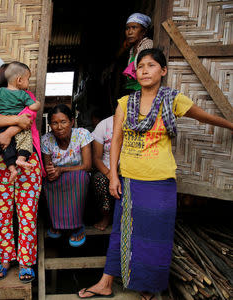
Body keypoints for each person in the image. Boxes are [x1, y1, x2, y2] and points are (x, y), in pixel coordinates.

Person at [78, 48, 233, 300]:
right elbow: (115, 140)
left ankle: (147, 286)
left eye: (151, 65)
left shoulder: (173, 100)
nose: (145, 70)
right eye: (140, 66)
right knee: (121, 231)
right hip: (129, 179)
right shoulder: (125, 103)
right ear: (135, 73)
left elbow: (203, 117)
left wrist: (229, 124)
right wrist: (114, 176)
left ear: (163, 71)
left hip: (160, 181)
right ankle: (106, 282)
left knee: (154, 237)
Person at [0, 63, 43, 283]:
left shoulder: (26, 95)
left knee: (27, 214)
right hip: (0, 164)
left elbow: (29, 116)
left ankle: (26, 262)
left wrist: (9, 131)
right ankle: (5, 258)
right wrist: (17, 121)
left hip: (28, 160)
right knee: (2, 214)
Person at [41, 104, 93, 247]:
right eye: (54, 123)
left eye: (63, 122)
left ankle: (77, 226)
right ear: (50, 124)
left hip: (76, 176)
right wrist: (52, 172)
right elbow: (48, 167)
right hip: (58, 176)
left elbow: (87, 166)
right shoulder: (46, 140)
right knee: (47, 181)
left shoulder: (82, 134)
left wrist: (61, 170)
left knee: (80, 178)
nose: (59, 127)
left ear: (72, 121)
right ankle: (56, 224)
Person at [0, 62, 41, 182]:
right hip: (23, 158)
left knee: (2, 200)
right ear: (19, 80)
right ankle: (19, 161)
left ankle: (13, 168)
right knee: (25, 200)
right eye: (28, 79)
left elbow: (29, 118)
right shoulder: (24, 95)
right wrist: (18, 119)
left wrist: (7, 133)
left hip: (3, 154)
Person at [91, 115, 114, 231]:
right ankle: (106, 216)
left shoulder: (136, 123)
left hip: (128, 170)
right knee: (99, 179)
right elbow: (97, 159)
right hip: (107, 169)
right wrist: (110, 175)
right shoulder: (104, 125)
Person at [120, 13, 153, 92]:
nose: (130, 32)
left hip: (141, 89)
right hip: (131, 89)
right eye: (127, 28)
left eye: (134, 27)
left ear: (143, 31)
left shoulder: (147, 44)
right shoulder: (132, 49)